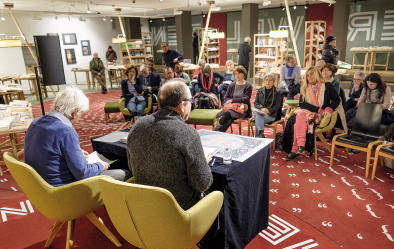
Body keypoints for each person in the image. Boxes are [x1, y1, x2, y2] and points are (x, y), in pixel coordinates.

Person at [126, 80, 213, 210]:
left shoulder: (136, 127)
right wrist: (202, 162)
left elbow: (131, 167)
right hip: (180, 211)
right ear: (182, 106)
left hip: (144, 205)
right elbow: (203, 184)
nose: (192, 104)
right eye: (190, 100)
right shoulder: (188, 133)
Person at [24, 87, 129, 187]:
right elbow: (83, 173)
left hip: (41, 186)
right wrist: (100, 165)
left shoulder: (35, 122)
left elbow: (48, 151)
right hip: (64, 189)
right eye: (81, 114)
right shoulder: (66, 131)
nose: (79, 119)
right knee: (124, 173)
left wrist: (75, 152)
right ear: (74, 113)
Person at [283, 66, 346, 161]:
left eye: (311, 74)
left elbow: (337, 99)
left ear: (317, 73)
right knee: (300, 115)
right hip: (308, 112)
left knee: (298, 119)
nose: (309, 77)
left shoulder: (327, 85)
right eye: (307, 75)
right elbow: (302, 104)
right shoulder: (304, 87)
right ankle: (300, 146)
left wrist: (329, 108)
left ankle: (295, 149)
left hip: (319, 117)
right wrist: (318, 109)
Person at [213, 66, 252, 132]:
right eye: (235, 74)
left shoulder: (248, 86)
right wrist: (228, 101)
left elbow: (246, 99)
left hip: (242, 109)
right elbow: (226, 97)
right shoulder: (232, 85)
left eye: (239, 73)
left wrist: (233, 100)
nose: (237, 75)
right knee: (229, 119)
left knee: (228, 113)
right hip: (231, 107)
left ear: (243, 74)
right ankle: (219, 132)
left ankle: (215, 129)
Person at [253, 73, 282, 138]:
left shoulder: (277, 92)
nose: (268, 82)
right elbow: (256, 103)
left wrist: (268, 111)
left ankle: (259, 136)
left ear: (273, 81)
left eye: (270, 80)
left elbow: (278, 105)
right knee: (258, 115)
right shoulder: (260, 90)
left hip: (271, 115)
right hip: (261, 112)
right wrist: (261, 108)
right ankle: (261, 135)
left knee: (257, 117)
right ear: (264, 81)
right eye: (266, 80)